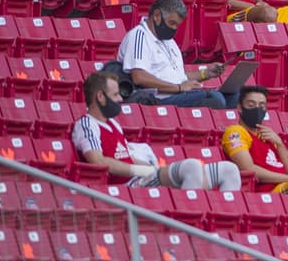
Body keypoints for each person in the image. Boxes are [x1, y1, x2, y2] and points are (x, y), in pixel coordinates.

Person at [72, 72, 241, 190]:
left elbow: (127, 158)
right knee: (191, 167)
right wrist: (143, 171)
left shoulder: (112, 124)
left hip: (141, 178)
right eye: (115, 95)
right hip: (124, 187)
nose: (120, 99)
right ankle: (185, 228)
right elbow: (98, 162)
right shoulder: (87, 124)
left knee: (229, 170)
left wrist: (154, 169)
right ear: (100, 97)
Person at [117, 0, 236, 109]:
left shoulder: (169, 41)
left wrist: (206, 73)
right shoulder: (139, 36)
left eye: (177, 25)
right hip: (159, 100)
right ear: (157, 15)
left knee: (236, 98)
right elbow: (139, 77)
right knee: (214, 98)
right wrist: (178, 88)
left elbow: (179, 76)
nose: (174, 28)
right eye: (172, 23)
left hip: (179, 95)